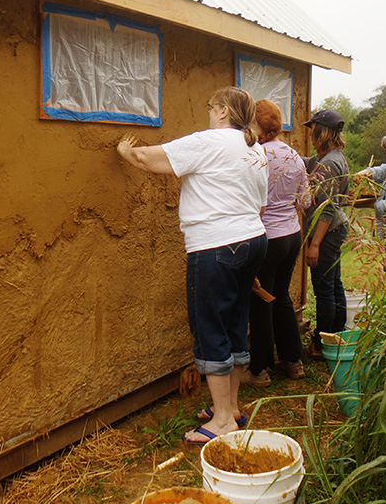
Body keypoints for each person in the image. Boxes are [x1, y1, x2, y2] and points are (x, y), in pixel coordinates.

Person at [116, 86, 268, 442]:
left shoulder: (210, 141)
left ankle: (223, 425)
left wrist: (124, 151)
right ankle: (228, 409)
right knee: (234, 323)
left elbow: (146, 160)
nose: (209, 112)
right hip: (253, 240)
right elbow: (260, 202)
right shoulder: (255, 149)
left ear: (222, 111)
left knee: (210, 328)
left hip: (216, 246)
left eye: (211, 106)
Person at [245, 100, 310, 387]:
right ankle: (293, 361)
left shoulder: (257, 155)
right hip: (292, 236)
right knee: (281, 296)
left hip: (268, 238)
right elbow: (306, 201)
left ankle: (258, 369)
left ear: (258, 126)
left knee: (260, 301)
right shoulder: (295, 156)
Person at [301, 109, 350, 361]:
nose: (310, 133)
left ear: (323, 131)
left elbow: (327, 208)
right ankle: (336, 334)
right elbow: (309, 164)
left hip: (327, 232)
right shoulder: (330, 157)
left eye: (313, 128)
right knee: (334, 284)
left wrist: (315, 244)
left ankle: (321, 346)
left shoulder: (330, 162)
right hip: (335, 229)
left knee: (323, 290)